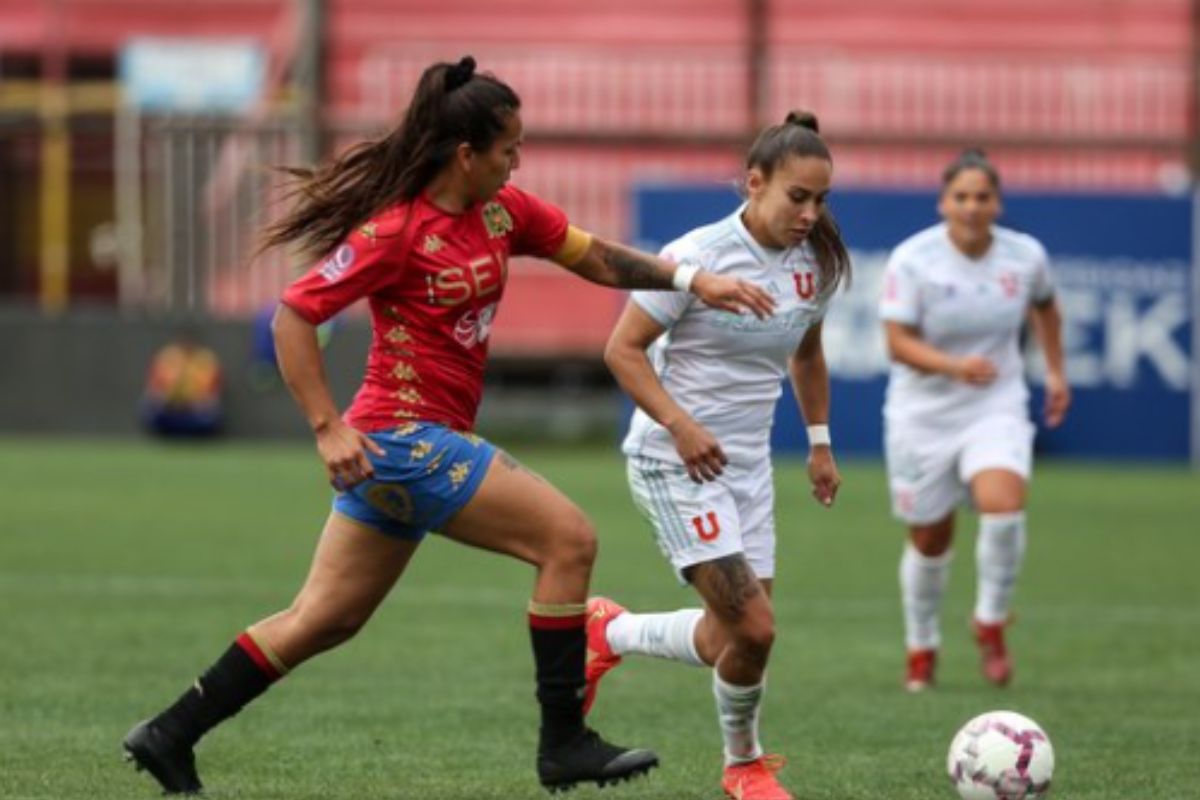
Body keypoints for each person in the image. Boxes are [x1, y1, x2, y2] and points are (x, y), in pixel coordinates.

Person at [121, 55, 775, 796]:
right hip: (403, 438)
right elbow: (294, 314)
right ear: (467, 154)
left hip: (402, 449)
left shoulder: (503, 211)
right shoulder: (396, 232)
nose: (516, 162)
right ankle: (564, 743)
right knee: (569, 540)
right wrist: (325, 426)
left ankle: (169, 733)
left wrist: (692, 280)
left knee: (324, 619)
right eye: (508, 150)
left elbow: (593, 256)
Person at [587, 111, 849, 800]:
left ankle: (608, 633)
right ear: (755, 183)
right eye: (798, 197)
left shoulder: (814, 263)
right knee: (755, 627)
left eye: (821, 199)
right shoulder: (696, 254)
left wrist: (820, 444)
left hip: (747, 467)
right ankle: (744, 767)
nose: (810, 213)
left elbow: (809, 354)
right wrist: (680, 426)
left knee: (730, 639)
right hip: (674, 460)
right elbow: (622, 350)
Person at [878, 148, 1070, 692]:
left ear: (997, 202)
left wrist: (1055, 373)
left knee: (1003, 506)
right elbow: (896, 343)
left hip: (995, 402)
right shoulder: (913, 260)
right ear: (944, 203)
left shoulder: (1025, 256)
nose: (971, 206)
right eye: (961, 196)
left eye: (982, 196)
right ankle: (922, 646)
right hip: (923, 413)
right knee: (931, 538)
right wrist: (954, 365)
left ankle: (990, 620)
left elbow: (1048, 307)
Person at [140, 333, 223, 438]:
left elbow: (213, 387)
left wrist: (198, 401)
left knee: (210, 410)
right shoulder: (168, 357)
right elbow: (154, 385)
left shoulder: (205, 359)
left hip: (196, 408)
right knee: (150, 404)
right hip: (170, 407)